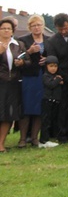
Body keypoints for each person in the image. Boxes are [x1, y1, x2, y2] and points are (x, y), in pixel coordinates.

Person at [18, 14, 49, 147]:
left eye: (39, 25)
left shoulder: (49, 40)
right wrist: (29, 51)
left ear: (43, 26)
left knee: (39, 108)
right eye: (34, 25)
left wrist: (48, 60)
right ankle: (23, 138)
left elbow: (55, 55)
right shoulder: (22, 40)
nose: (37, 28)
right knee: (27, 107)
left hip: (43, 77)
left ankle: (35, 137)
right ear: (29, 27)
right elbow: (18, 58)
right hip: (28, 78)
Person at [45, 13, 68, 143]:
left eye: (65, 28)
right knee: (63, 107)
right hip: (63, 76)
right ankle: (62, 133)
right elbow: (54, 63)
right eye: (60, 29)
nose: (63, 31)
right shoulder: (52, 41)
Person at [0, 17, 28, 152]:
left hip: (13, 83)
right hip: (0, 82)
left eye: (8, 29)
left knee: (8, 113)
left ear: (12, 31)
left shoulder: (18, 44)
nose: (6, 31)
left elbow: (27, 61)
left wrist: (22, 63)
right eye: (3, 28)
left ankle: (1, 143)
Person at [40, 56, 63, 148]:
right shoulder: (45, 76)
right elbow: (50, 84)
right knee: (46, 121)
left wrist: (57, 80)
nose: (53, 68)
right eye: (51, 66)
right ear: (46, 66)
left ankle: (51, 137)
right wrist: (57, 80)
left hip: (55, 101)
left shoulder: (56, 76)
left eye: (55, 66)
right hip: (47, 101)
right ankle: (43, 140)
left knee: (52, 120)